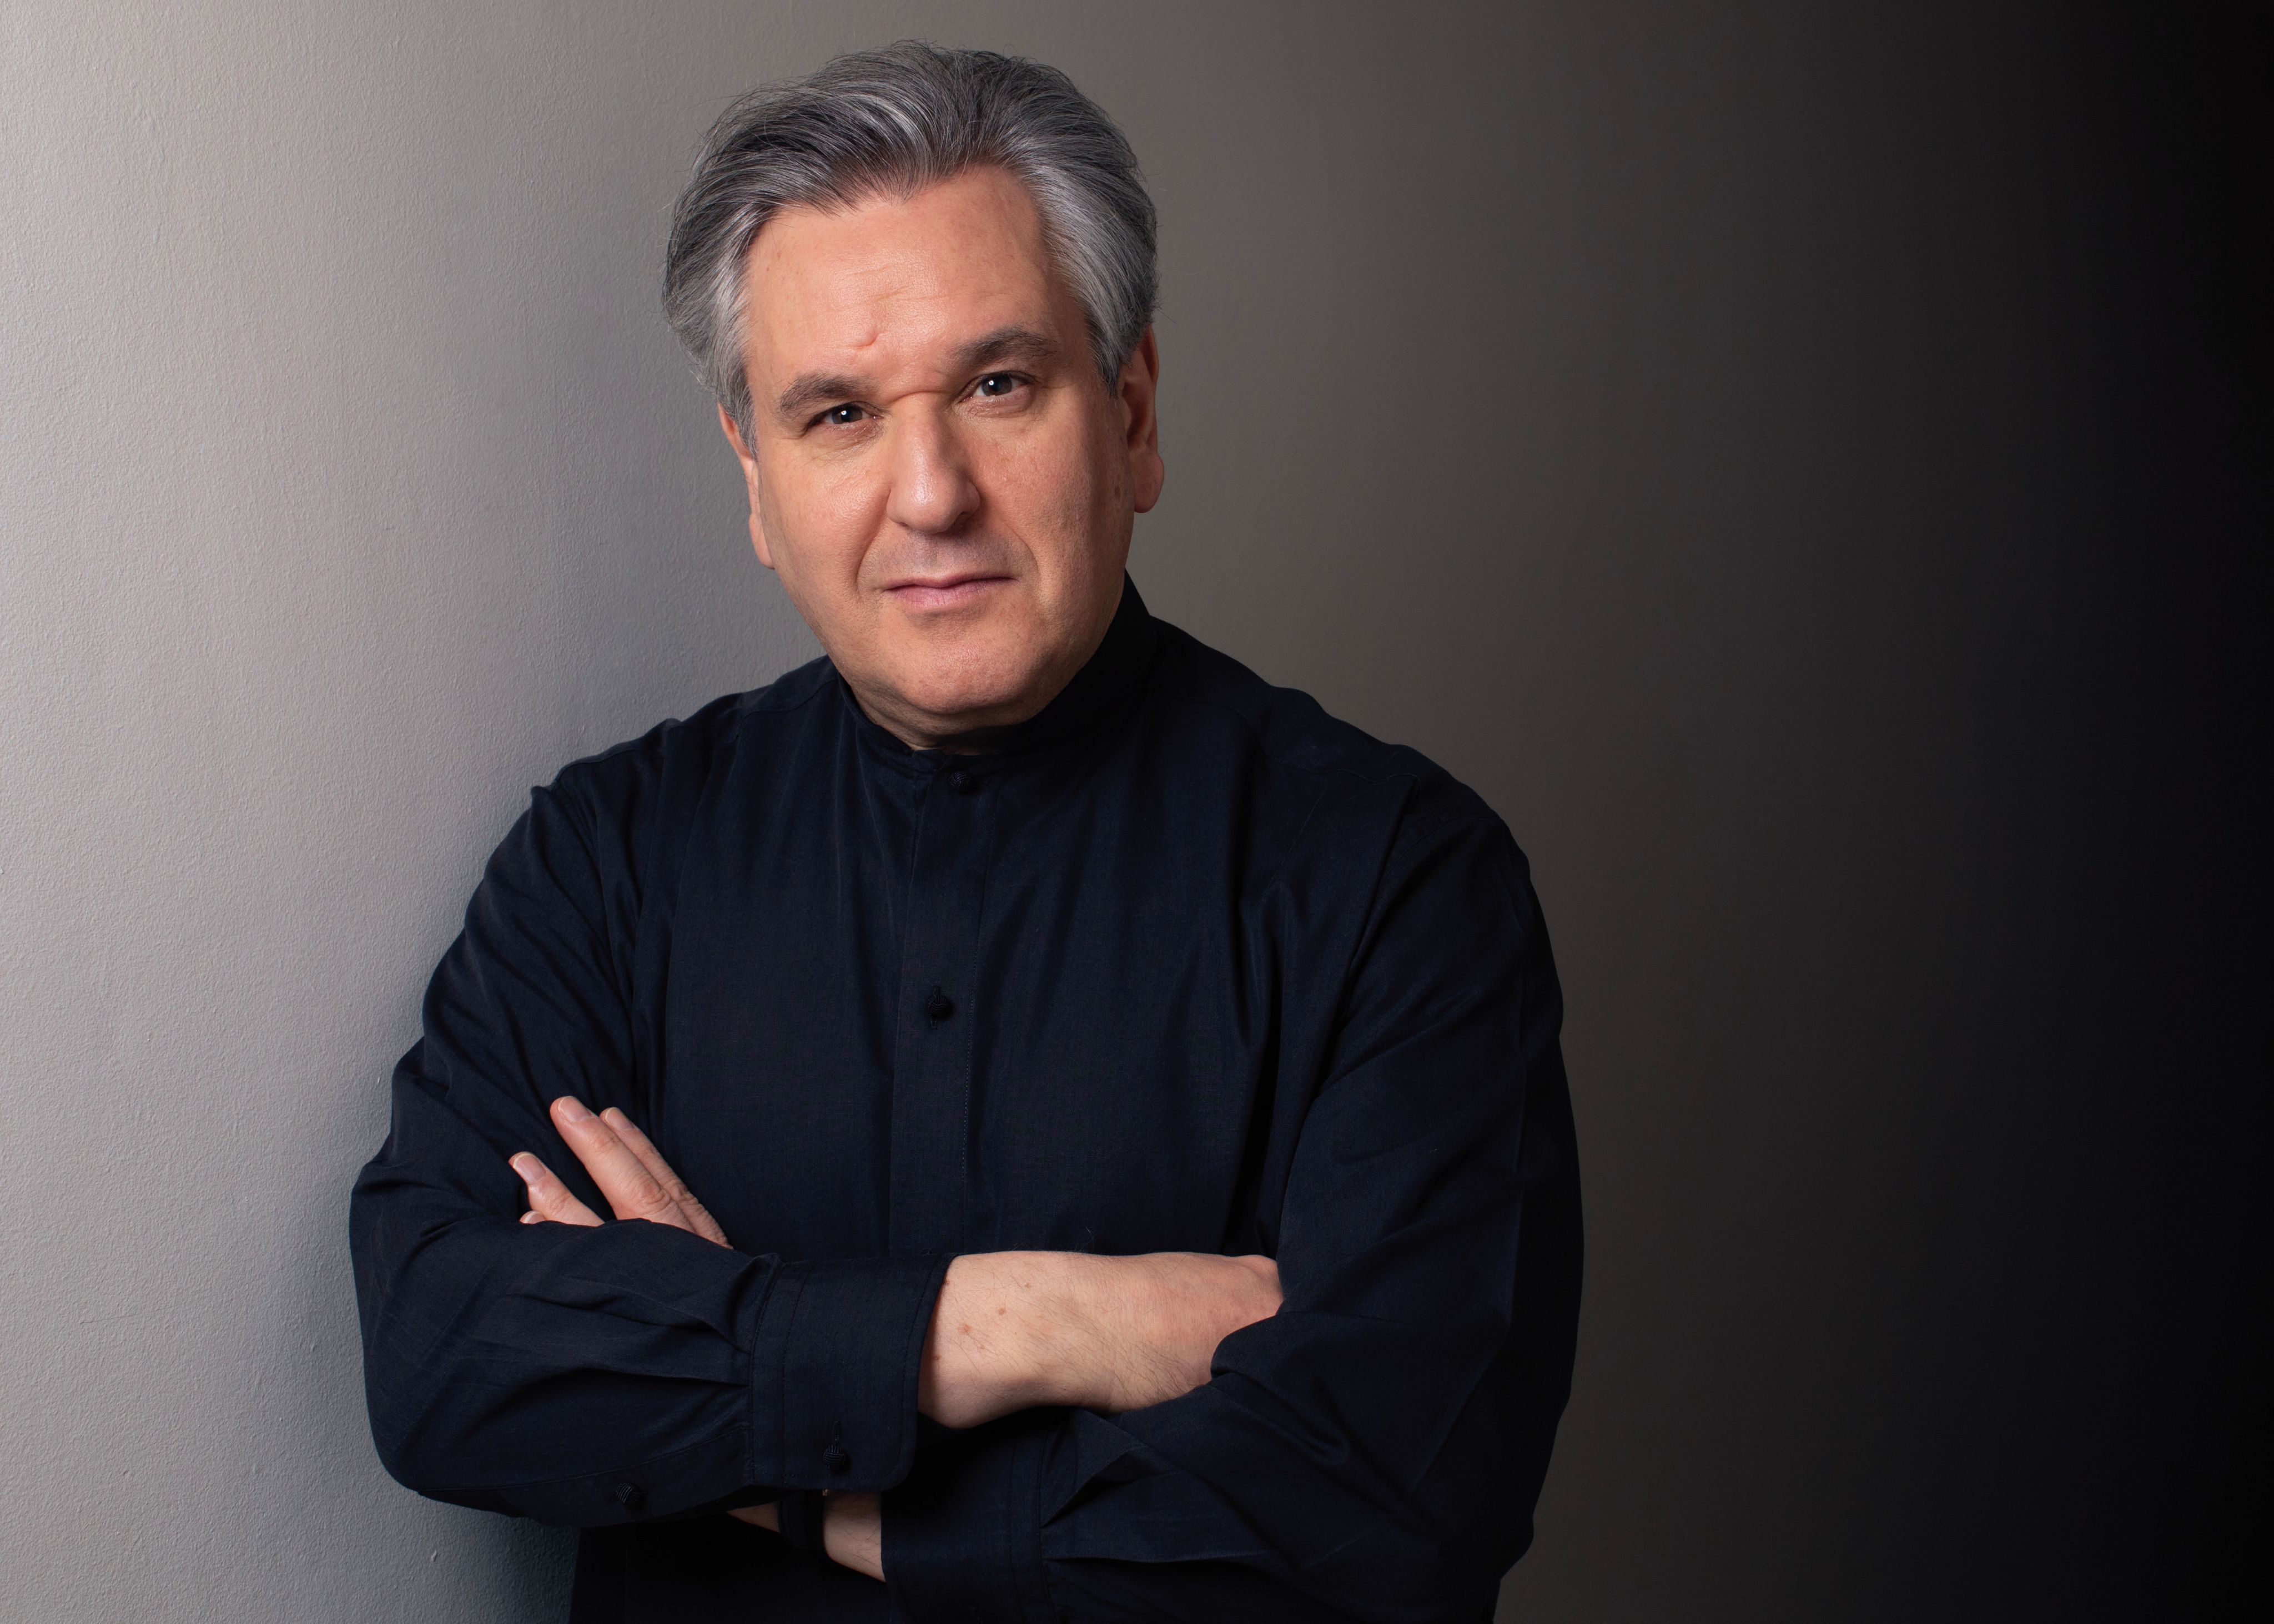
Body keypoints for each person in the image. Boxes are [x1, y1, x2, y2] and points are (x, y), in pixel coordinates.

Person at [350, 41, 1581, 1624]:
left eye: (999, 384)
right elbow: (448, 1361)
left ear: (1130, 417)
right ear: (756, 482)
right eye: (838, 413)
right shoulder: (609, 860)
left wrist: (759, 1439)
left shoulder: (1398, 882)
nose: (927, 493)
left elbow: (1386, 1518)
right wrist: (1022, 1326)